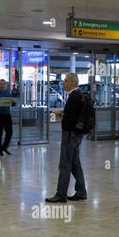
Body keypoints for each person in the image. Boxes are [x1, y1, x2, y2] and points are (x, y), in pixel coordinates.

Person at [46, 73, 87, 203]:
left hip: (70, 135)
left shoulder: (73, 97)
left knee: (64, 164)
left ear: (72, 82)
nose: (63, 83)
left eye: (65, 80)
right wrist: (63, 113)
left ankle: (61, 194)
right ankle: (81, 191)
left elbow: (70, 118)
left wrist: (60, 114)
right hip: (77, 135)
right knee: (75, 163)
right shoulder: (80, 95)